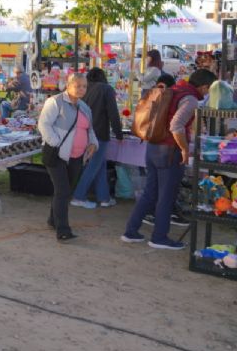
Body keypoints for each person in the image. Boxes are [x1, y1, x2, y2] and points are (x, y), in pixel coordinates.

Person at [122, 69, 217, 250]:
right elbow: (176, 126)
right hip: (169, 151)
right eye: (209, 89)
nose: (208, 93)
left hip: (153, 146)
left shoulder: (174, 89)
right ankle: (159, 237)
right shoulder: (190, 99)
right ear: (204, 87)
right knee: (166, 196)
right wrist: (184, 148)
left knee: (150, 192)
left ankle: (131, 231)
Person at [37, 73, 98, 242]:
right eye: (78, 86)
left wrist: (93, 143)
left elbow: (90, 130)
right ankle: (63, 230)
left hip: (77, 156)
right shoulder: (55, 102)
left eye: (84, 86)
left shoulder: (85, 107)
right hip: (56, 155)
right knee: (63, 191)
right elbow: (43, 124)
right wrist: (56, 143)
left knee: (64, 191)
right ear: (68, 85)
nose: (81, 89)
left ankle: (53, 219)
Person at [71, 68, 123, 209]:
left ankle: (104, 198)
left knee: (100, 165)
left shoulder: (84, 89)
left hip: (84, 133)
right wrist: (119, 134)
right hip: (99, 134)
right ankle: (78, 196)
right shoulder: (106, 89)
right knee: (94, 166)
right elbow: (113, 113)